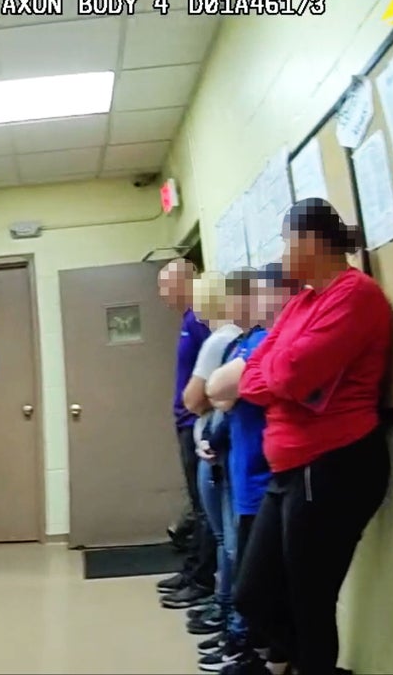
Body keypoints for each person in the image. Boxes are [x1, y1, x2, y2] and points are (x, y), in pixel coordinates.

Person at [234, 198, 393, 675]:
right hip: (288, 470)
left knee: (310, 600)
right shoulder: (303, 302)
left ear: (308, 241)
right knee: (254, 596)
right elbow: (254, 377)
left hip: (333, 465)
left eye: (286, 241)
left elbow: (287, 375)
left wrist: (279, 377)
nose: (283, 253)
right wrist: (280, 377)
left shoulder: (355, 295)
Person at [203, 263, 294, 675]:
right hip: (244, 476)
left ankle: (263, 654)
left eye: (263, 293)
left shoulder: (271, 341)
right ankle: (261, 653)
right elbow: (216, 394)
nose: (255, 302)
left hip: (266, 479)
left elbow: (221, 391)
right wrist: (230, 394)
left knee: (260, 587)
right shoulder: (251, 340)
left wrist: (232, 392)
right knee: (253, 584)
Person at [181, 272, 244, 638]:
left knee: (226, 538)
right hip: (227, 444)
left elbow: (193, 398)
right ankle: (226, 609)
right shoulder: (238, 337)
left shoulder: (219, 338)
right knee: (230, 537)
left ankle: (228, 616)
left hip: (213, 447)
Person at [156, 259, 218, 610]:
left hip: (198, 423)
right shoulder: (188, 319)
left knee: (206, 511)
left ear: (184, 282)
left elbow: (216, 370)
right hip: (184, 423)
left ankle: (201, 580)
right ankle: (192, 570)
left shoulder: (201, 319)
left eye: (166, 286)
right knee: (198, 507)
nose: (163, 295)